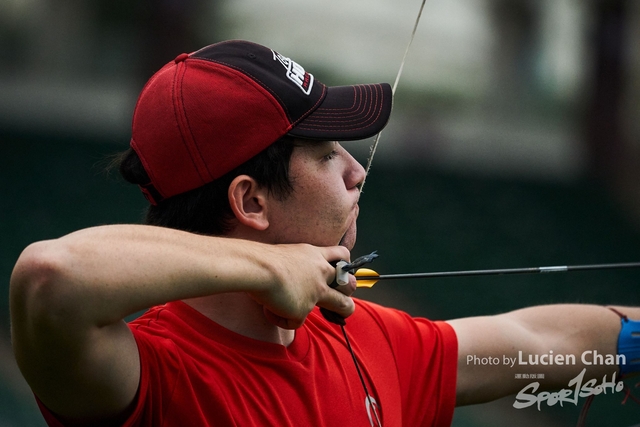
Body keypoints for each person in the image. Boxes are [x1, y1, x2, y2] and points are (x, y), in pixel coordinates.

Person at [9, 39, 640, 427]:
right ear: (250, 201)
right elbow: (51, 276)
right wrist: (265, 269)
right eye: (325, 152)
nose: (356, 169)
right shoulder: (151, 375)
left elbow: (534, 340)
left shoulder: (364, 342)